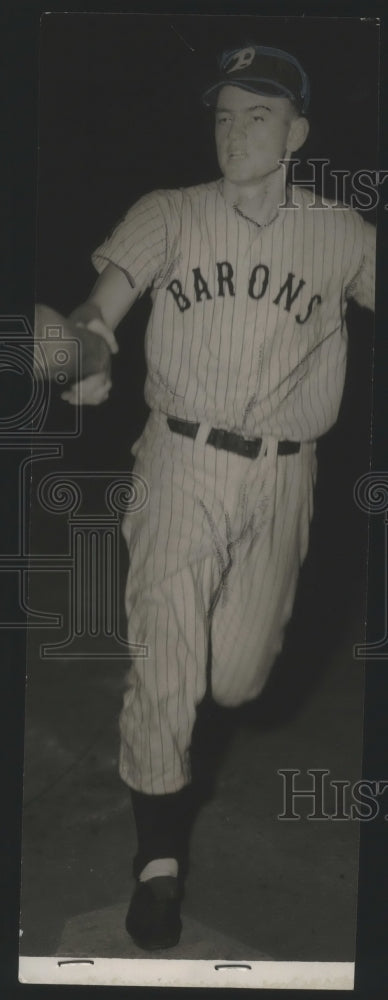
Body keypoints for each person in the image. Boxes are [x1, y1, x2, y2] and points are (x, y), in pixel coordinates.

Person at [38, 43, 376, 950]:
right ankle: (158, 866)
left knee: (237, 676)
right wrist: (83, 353)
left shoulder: (344, 234)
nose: (235, 131)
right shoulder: (169, 214)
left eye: (258, 114)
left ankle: (202, 705)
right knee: (168, 664)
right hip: (179, 460)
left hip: (286, 470)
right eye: (224, 115)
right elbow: (95, 315)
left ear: (298, 133)